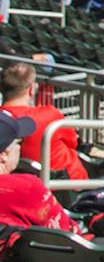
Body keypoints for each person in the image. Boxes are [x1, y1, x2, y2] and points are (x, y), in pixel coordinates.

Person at [0, 115, 84, 248]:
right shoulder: (27, 187)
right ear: (3, 154)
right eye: (19, 142)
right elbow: (68, 234)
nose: (20, 148)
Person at [0, 62, 85, 182]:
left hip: (21, 182)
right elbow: (73, 142)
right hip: (65, 185)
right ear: (31, 89)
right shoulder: (49, 115)